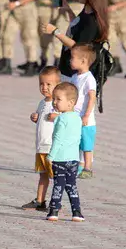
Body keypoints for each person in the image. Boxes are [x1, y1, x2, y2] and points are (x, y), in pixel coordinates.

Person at [42, 0, 109, 81]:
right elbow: (78, 26)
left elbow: (78, 46)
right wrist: (68, 10)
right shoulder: (87, 11)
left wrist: (55, 31)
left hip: (76, 73)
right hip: (69, 66)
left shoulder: (92, 20)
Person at [22, 66, 61, 212]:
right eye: (42, 84)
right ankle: (40, 201)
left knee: (57, 177)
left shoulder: (58, 103)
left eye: (49, 84)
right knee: (43, 175)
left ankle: (56, 202)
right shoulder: (42, 102)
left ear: (58, 84)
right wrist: (35, 117)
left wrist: (57, 116)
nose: (44, 87)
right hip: (41, 146)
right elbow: (41, 119)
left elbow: (68, 118)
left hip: (52, 147)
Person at [46, 82, 84, 222]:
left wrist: (50, 156)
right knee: (71, 185)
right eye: (54, 99)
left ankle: (54, 211)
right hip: (73, 159)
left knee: (58, 185)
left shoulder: (61, 118)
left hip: (60, 159)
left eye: (58, 99)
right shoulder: (77, 118)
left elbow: (58, 139)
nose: (55, 102)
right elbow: (78, 139)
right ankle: (77, 212)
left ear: (71, 102)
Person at [5, 0, 40, 77]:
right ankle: (6, 63)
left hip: (27, 10)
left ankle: (31, 63)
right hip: (14, 9)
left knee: (29, 38)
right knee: (7, 35)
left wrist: (18, 3)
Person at [69, 45, 97, 179]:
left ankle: (88, 167)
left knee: (86, 145)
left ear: (84, 61)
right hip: (75, 116)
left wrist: (86, 115)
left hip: (86, 119)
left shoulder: (89, 79)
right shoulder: (75, 77)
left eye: (73, 58)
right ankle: (79, 165)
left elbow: (92, 97)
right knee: (77, 142)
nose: (70, 60)